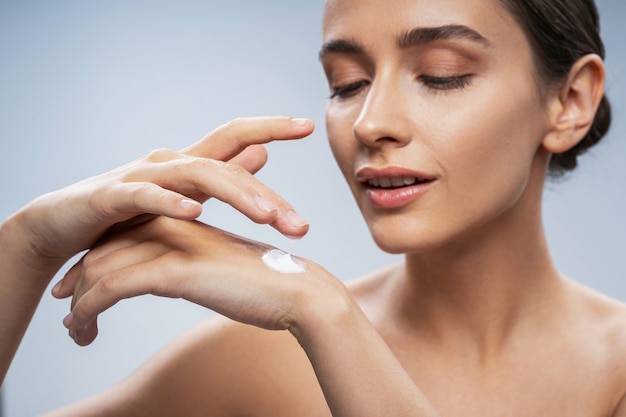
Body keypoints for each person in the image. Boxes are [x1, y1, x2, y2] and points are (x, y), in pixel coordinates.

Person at [1, 0, 624, 415]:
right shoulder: (258, 361)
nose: (372, 121)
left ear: (570, 100)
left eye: (441, 74)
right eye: (347, 83)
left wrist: (329, 318)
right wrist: (25, 244)